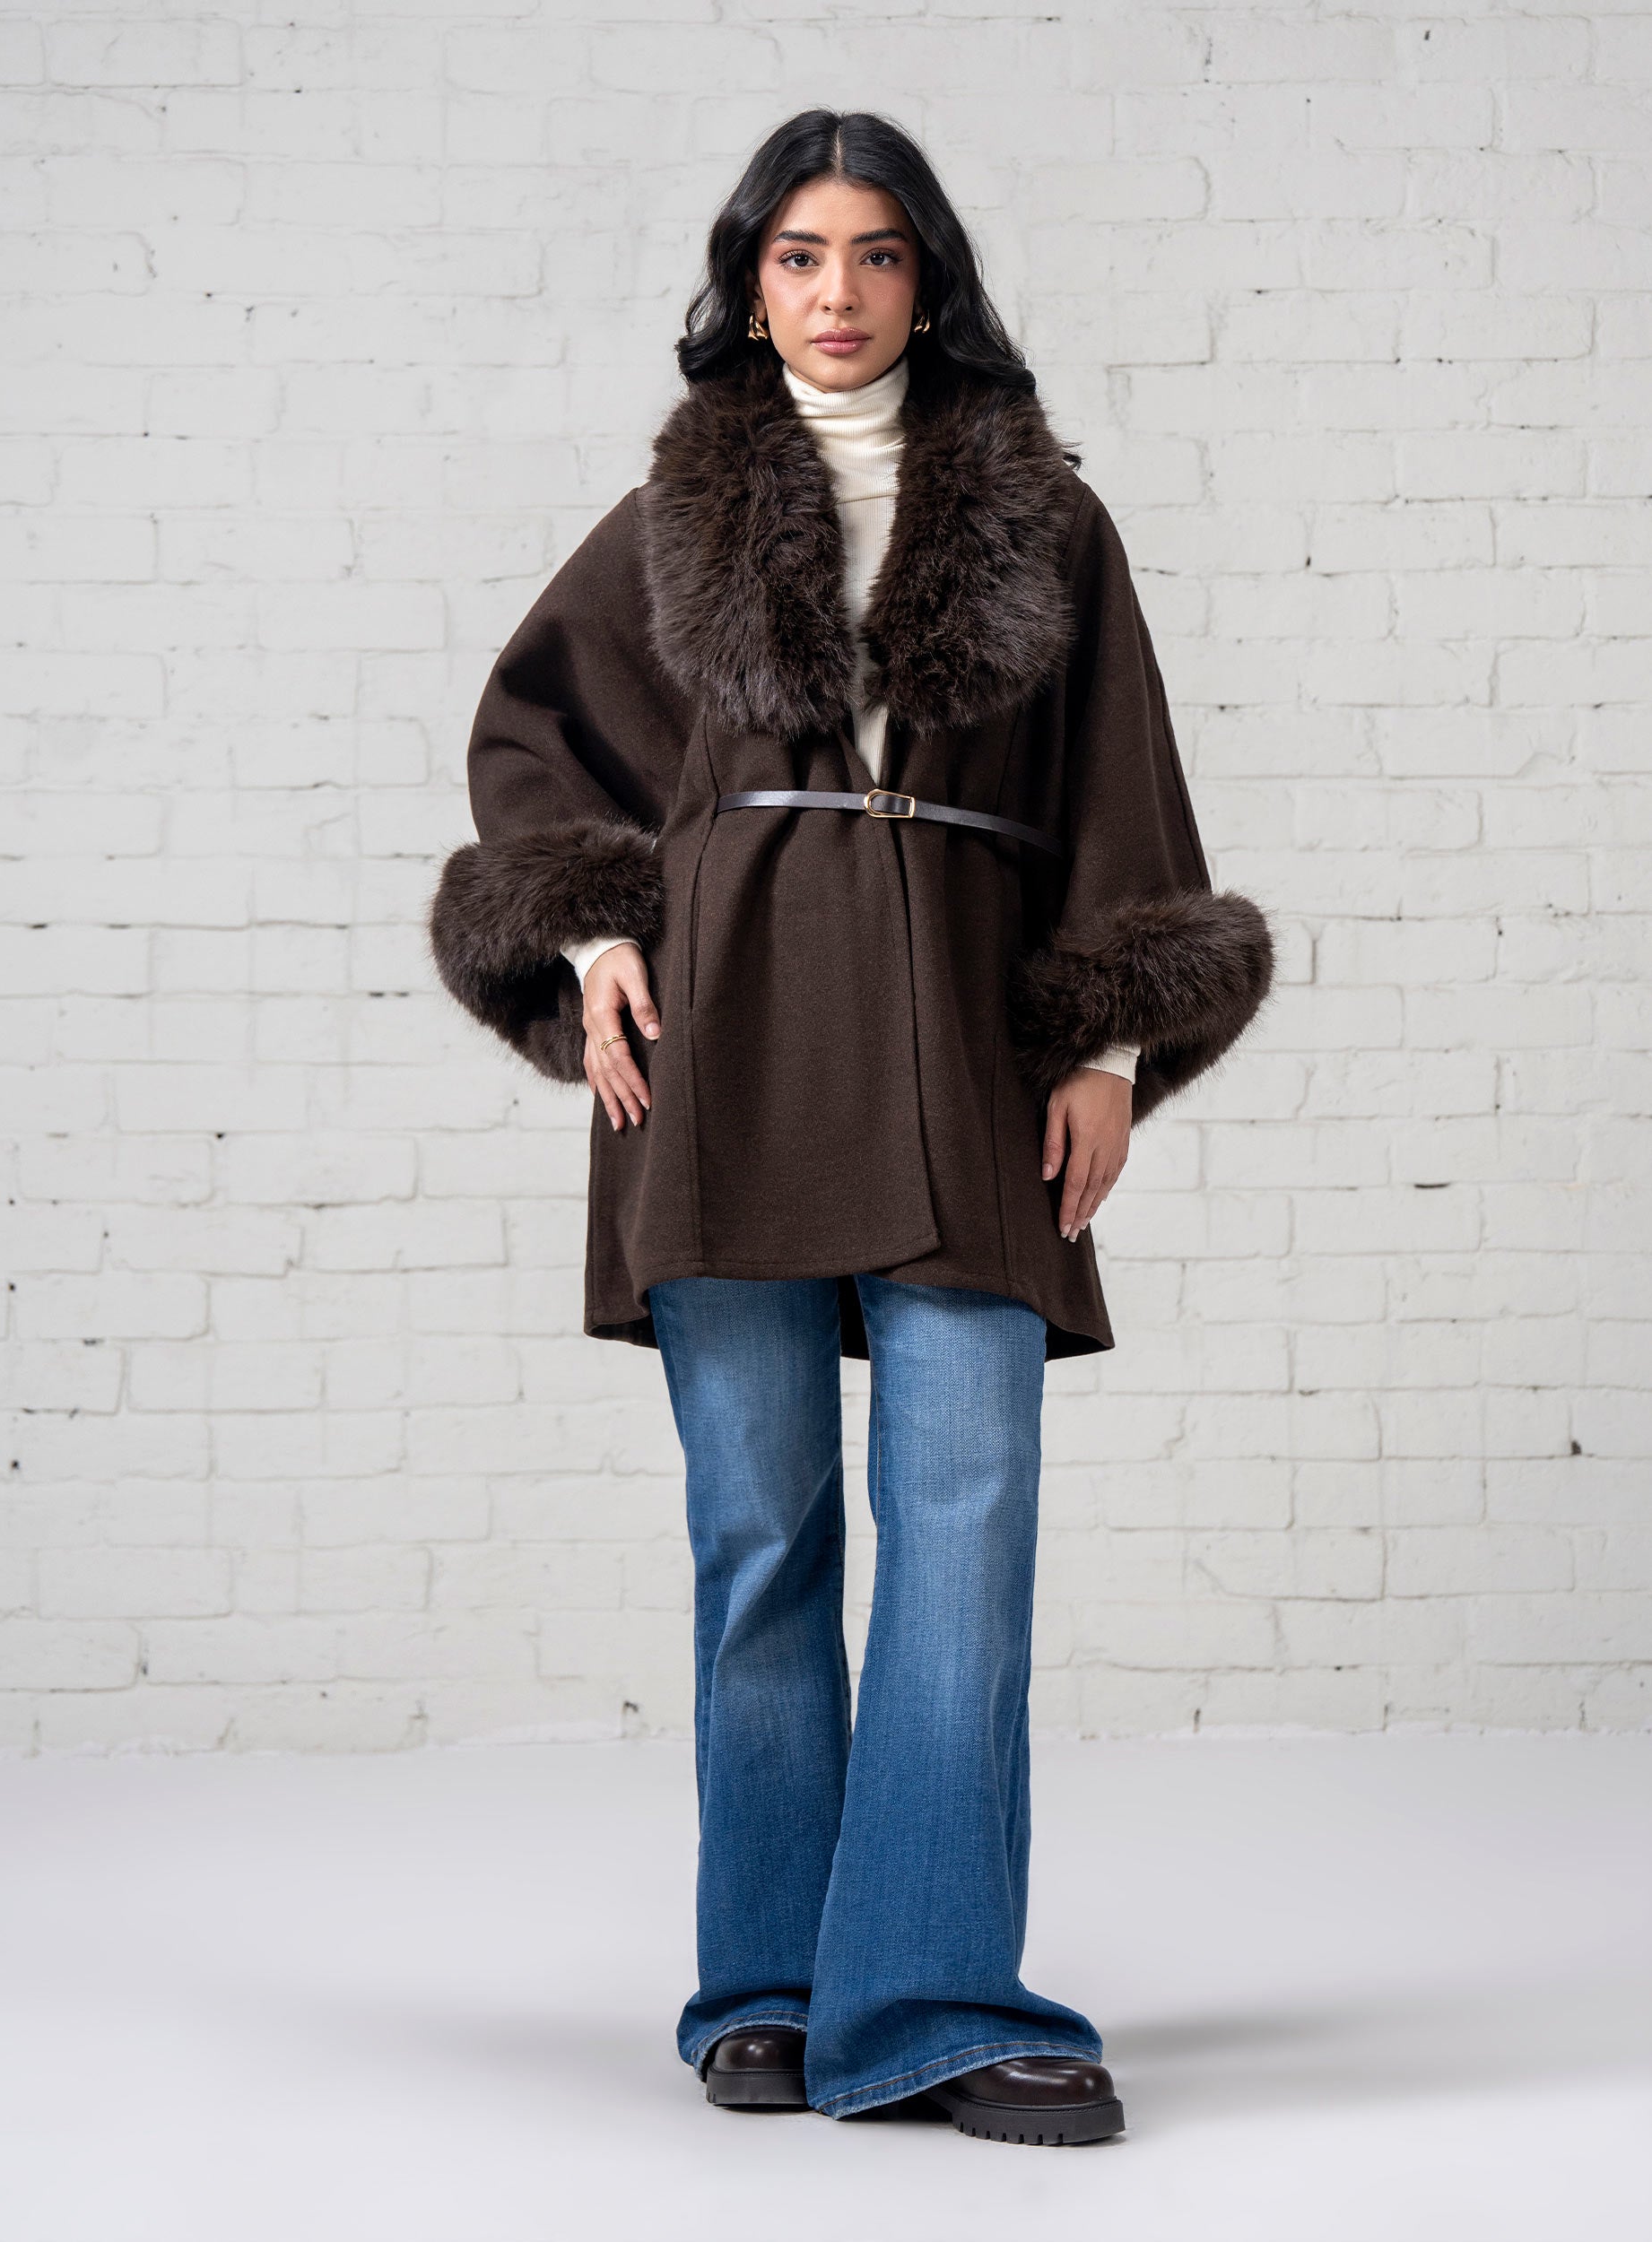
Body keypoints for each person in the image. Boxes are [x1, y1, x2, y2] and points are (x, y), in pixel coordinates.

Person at [430, 109, 1274, 2144]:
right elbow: (533, 741)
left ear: (929, 280)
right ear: (750, 285)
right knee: (763, 1536)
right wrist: (595, 931)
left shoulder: (1046, 516)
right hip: (721, 1041)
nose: (835, 293)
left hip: (966, 1038)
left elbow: (1124, 783)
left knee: (964, 1520)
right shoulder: (677, 511)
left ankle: (937, 1995)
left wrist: (1107, 1043)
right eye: (798, 257)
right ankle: (770, 1988)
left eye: (875, 255)